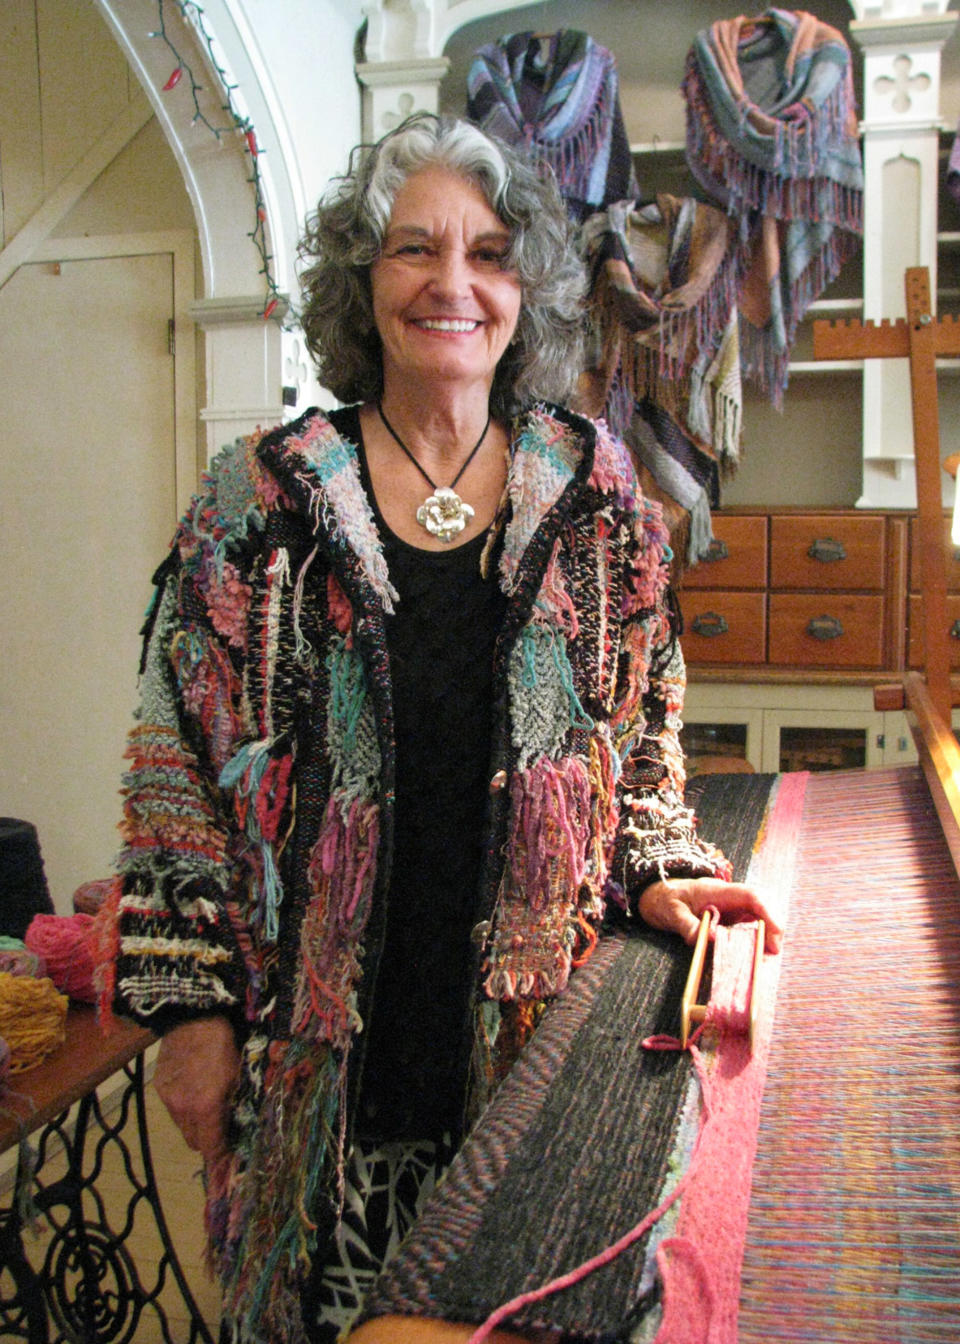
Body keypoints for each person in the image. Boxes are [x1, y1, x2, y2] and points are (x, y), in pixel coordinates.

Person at [98, 113, 780, 1344]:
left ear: (530, 291)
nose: (452, 284)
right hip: (305, 1071)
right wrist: (189, 1013)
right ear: (364, 285)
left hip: (536, 1047)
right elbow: (173, 774)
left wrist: (660, 858)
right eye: (414, 250)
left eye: (490, 253)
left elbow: (646, 715)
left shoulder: (595, 489)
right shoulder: (260, 500)